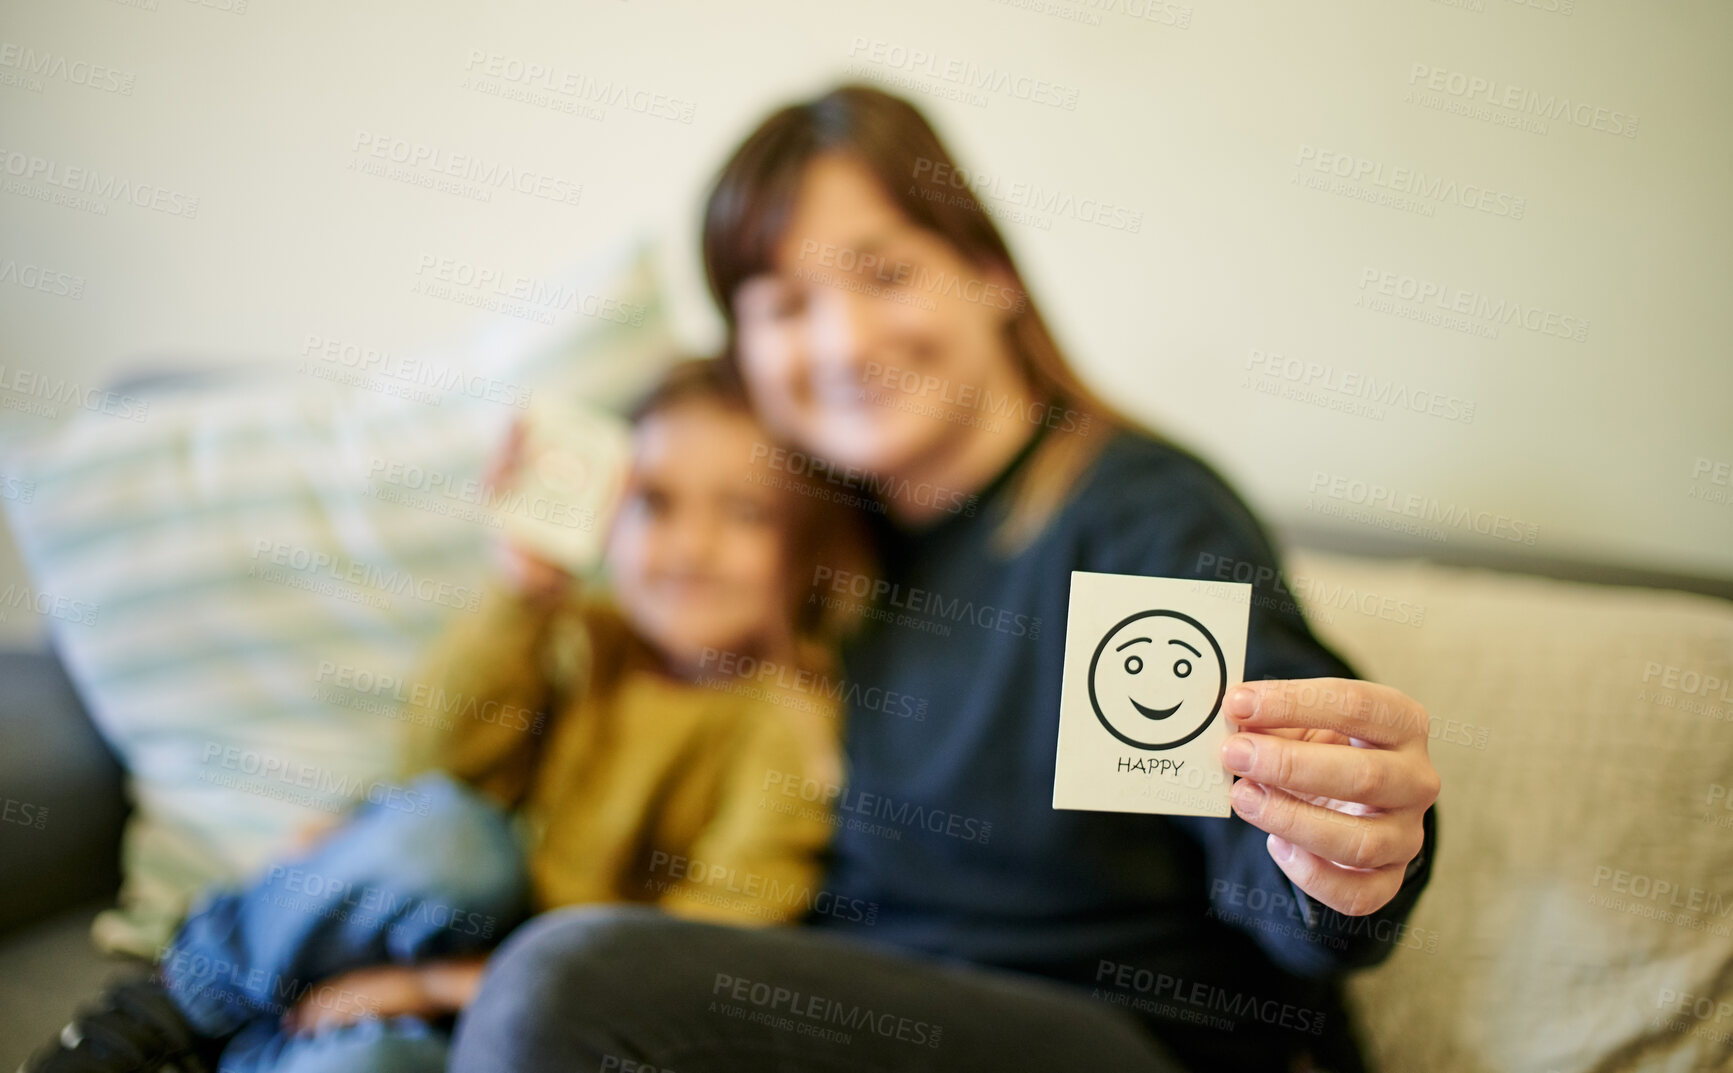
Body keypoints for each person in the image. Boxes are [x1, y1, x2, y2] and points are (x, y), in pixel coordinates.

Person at [445, 86, 1442, 1073]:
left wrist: (1343, 859)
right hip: (833, 1019)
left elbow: (1274, 867)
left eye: (883, 273)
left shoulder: (1126, 521)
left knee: (560, 985)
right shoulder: (813, 551)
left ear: (989, 273)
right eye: (786, 305)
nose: (842, 342)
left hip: (1110, 1040)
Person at [24, 357, 863, 1073]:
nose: (689, 546)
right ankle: (175, 1004)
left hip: (515, 1006)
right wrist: (522, 596)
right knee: (450, 836)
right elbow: (441, 761)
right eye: (656, 502)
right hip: (435, 910)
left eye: (744, 512)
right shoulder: (580, 633)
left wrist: (435, 989)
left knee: (370, 1060)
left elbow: (703, 949)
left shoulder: (781, 726)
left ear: (808, 548)